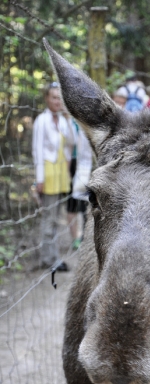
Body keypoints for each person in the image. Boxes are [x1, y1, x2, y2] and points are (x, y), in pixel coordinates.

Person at [32, 82, 75, 271]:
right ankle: (48, 259)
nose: (58, 101)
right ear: (47, 98)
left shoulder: (64, 120)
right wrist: (39, 178)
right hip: (48, 172)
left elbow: (72, 142)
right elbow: (37, 150)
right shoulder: (41, 120)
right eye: (54, 97)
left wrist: (68, 118)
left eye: (60, 98)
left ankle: (53, 256)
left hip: (61, 172)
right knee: (49, 217)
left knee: (57, 216)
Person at [67, 119, 93, 249]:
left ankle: (86, 235)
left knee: (87, 202)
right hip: (72, 165)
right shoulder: (70, 122)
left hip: (88, 167)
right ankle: (75, 237)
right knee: (72, 203)